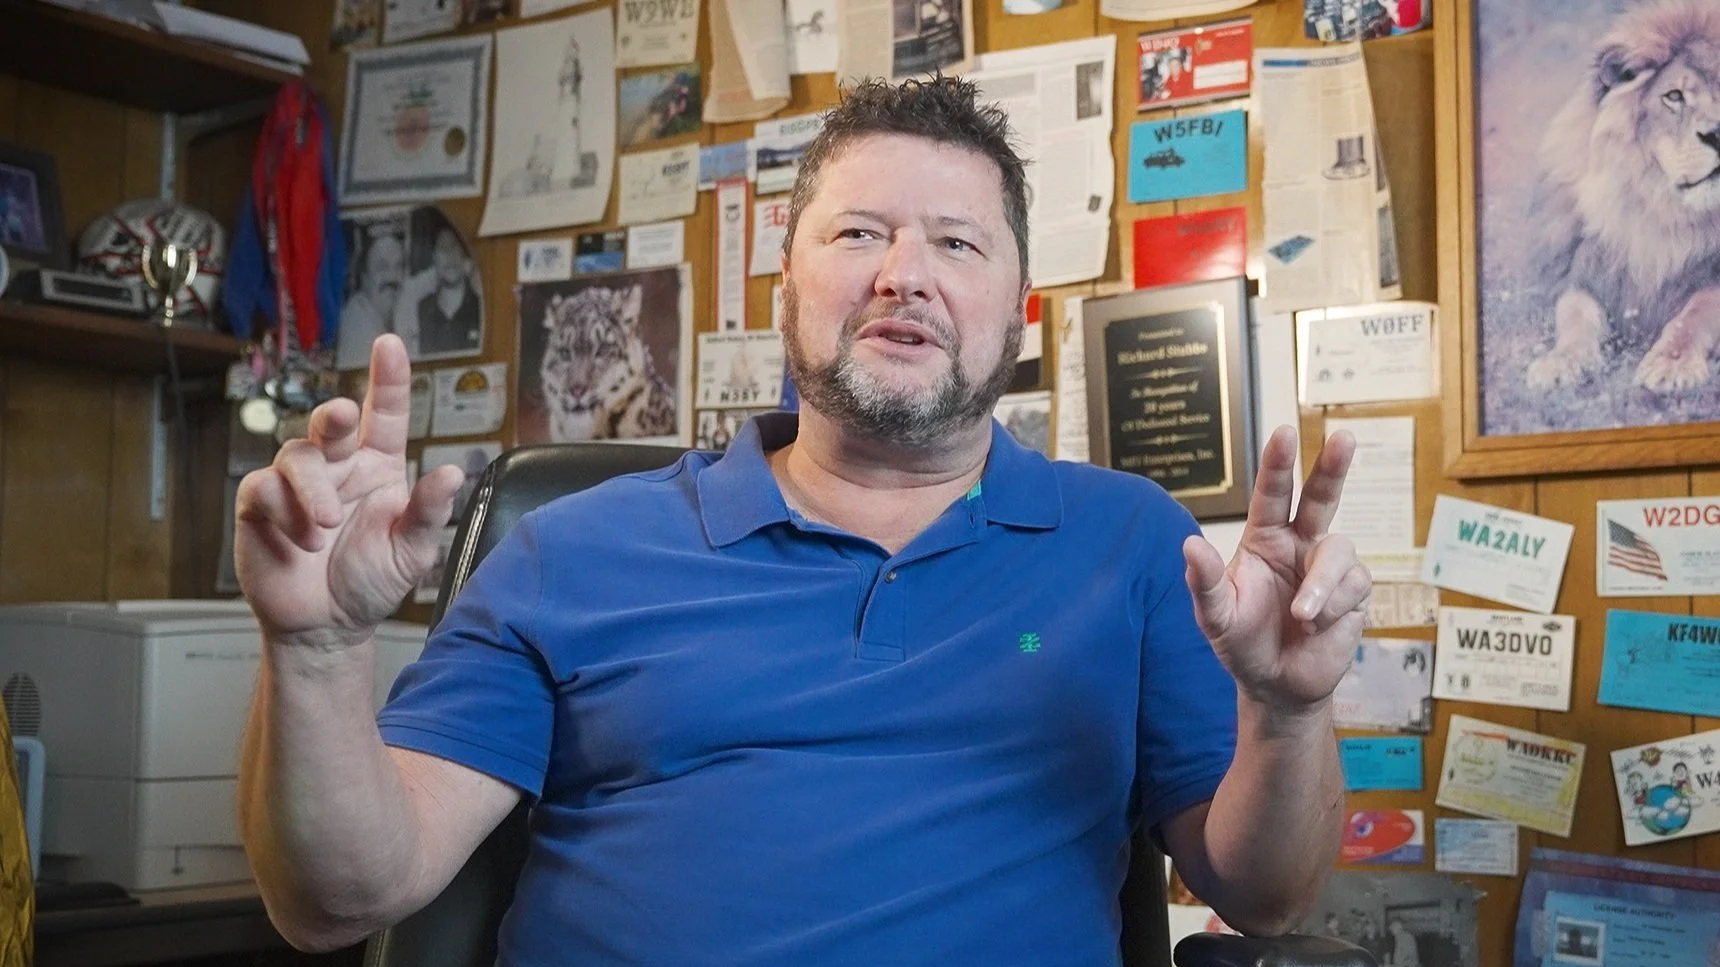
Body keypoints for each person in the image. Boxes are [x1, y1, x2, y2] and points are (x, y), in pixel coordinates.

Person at [236, 76, 1369, 964]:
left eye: (956, 243)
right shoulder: (570, 549)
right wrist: (317, 651)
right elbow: (338, 899)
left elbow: (1265, 895)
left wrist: (1285, 708)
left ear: (1017, 320)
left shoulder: (1132, 546)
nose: (901, 276)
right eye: (856, 234)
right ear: (782, 293)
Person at [336, 230, 410, 371]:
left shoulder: (395, 311)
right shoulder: (355, 326)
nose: (392, 277)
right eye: (382, 267)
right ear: (364, 276)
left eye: (398, 266)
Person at [415, 226, 481, 357]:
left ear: (464, 254)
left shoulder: (479, 308)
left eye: (454, 246)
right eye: (442, 248)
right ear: (433, 257)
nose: (449, 254)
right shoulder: (420, 310)